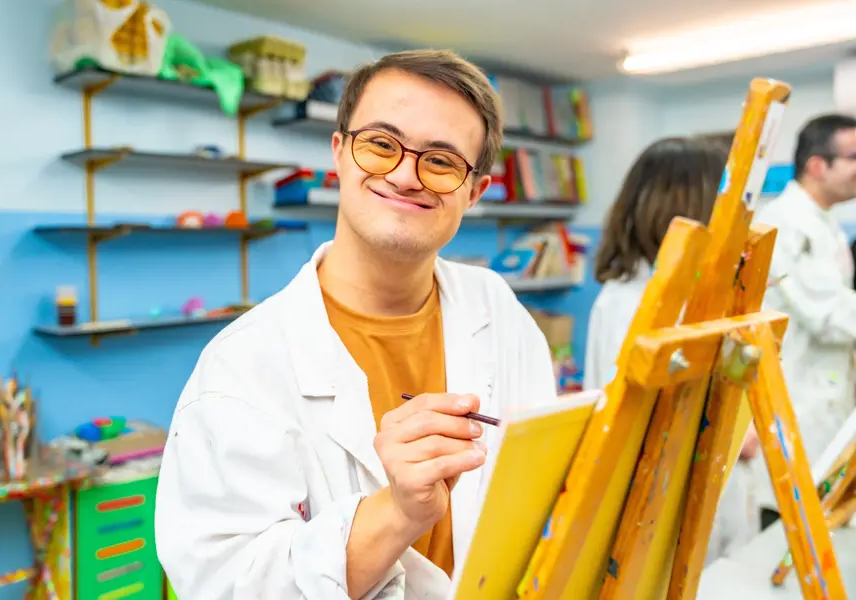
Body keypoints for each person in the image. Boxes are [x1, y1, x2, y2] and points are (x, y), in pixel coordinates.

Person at [153, 49, 557, 599]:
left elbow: (538, 490)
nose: (405, 175)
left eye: (441, 161)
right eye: (381, 145)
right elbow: (227, 585)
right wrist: (398, 510)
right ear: (340, 153)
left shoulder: (496, 309)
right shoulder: (240, 368)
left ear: (475, 192)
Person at [582, 136, 761, 560]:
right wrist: (731, 430)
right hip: (661, 505)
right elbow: (639, 422)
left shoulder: (694, 292)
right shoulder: (634, 304)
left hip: (713, 496)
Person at [752, 114, 856, 530]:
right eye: (852, 157)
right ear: (817, 166)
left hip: (826, 405)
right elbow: (828, 315)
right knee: (785, 538)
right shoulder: (784, 222)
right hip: (795, 406)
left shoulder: (824, 223)